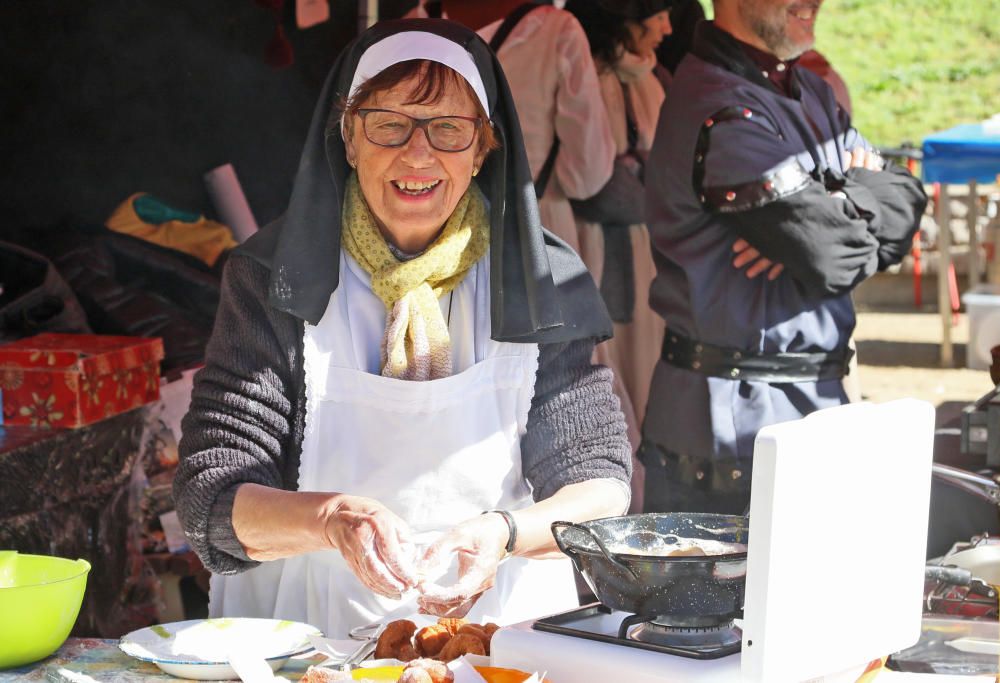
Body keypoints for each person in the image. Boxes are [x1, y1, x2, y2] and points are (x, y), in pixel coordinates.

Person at [173, 19, 631, 638]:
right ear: (350, 138)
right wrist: (330, 518)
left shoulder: (540, 280)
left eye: (449, 129)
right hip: (301, 641)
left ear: (483, 149)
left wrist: (503, 533)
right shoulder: (276, 277)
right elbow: (211, 495)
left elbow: (599, 485)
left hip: (494, 641)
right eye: (389, 124)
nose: (419, 155)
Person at [640, 0, 927, 515]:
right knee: (736, 595)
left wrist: (837, 200)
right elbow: (830, 255)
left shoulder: (809, 90)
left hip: (811, 407)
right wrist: (852, 199)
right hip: (733, 424)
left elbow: (907, 201)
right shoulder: (717, 103)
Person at [564, 0, 674, 512]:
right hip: (602, 247)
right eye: (656, 14)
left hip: (641, 247)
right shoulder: (597, 79)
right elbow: (589, 178)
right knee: (616, 370)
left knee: (644, 368)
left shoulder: (648, 80)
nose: (667, 28)